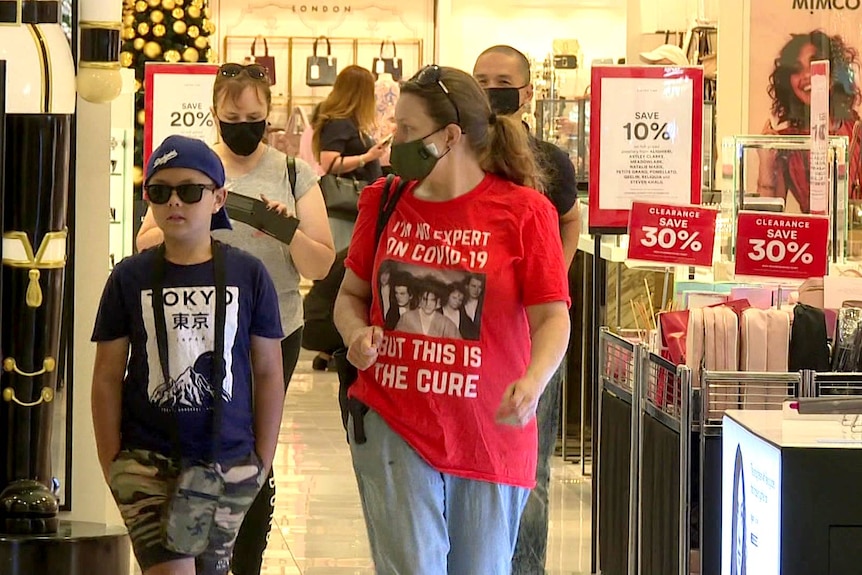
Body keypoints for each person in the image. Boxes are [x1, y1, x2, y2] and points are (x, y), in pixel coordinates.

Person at [334, 64, 571, 573]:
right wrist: (356, 334)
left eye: (406, 131)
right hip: (394, 421)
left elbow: (554, 316)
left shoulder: (524, 213)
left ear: (450, 136)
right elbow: (349, 295)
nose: (393, 141)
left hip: (490, 433)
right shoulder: (383, 201)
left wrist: (535, 379)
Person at [136, 62, 335, 575]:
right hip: (196, 330)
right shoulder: (198, 170)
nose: (243, 124)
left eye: (254, 116)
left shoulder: (293, 173)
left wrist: (285, 229)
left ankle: (243, 562)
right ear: (215, 114)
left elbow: (321, 262)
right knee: (197, 440)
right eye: (232, 115)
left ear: (268, 114)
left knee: (251, 454)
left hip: (273, 331)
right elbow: (144, 244)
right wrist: (211, 214)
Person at [91, 135, 285, 575]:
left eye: (190, 191)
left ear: (218, 198)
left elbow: (269, 370)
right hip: (146, 460)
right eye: (160, 192)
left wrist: (261, 458)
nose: (174, 202)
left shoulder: (248, 273)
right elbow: (106, 376)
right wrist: (113, 463)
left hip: (228, 456)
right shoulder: (129, 276)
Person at [473, 45, 581, 574]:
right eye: (481, 81)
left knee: (531, 471)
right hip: (469, 335)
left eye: (501, 82)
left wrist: (549, 281)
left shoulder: (548, 162)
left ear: (526, 92)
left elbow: (570, 219)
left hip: (533, 336)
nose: (491, 91)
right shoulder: (456, 152)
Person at [758, 30, 862, 213]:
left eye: (815, 63)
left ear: (835, 73)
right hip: (810, 239)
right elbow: (767, 222)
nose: (807, 75)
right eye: (796, 69)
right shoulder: (785, 143)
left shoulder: (856, 132)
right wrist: (766, 165)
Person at [312, 65, 390, 251]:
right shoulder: (339, 123)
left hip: (351, 211)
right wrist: (367, 157)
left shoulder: (347, 123)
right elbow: (330, 163)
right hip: (344, 210)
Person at [302, 249, 348, 371]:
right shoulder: (359, 255)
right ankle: (342, 356)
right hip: (323, 323)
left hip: (308, 321)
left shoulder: (344, 254)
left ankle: (325, 355)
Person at [395, 284, 460, 338]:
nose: (428, 304)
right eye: (425, 299)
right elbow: (396, 339)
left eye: (432, 300)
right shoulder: (407, 318)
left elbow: (459, 345)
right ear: (420, 299)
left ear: (438, 303)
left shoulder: (446, 324)